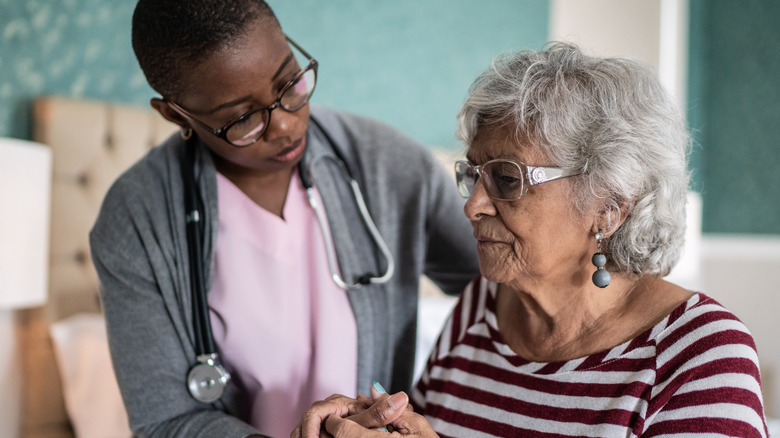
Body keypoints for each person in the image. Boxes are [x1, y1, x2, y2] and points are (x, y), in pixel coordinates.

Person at [293, 43, 769, 437]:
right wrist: (372, 424)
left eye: (506, 178)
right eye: (473, 174)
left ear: (608, 206)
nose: (472, 206)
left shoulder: (701, 356)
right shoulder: (480, 308)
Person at [88, 1, 479, 436]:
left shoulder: (390, 166)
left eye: (289, 84)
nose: (284, 126)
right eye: (243, 118)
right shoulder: (136, 221)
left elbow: (509, 289)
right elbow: (166, 421)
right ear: (176, 114)